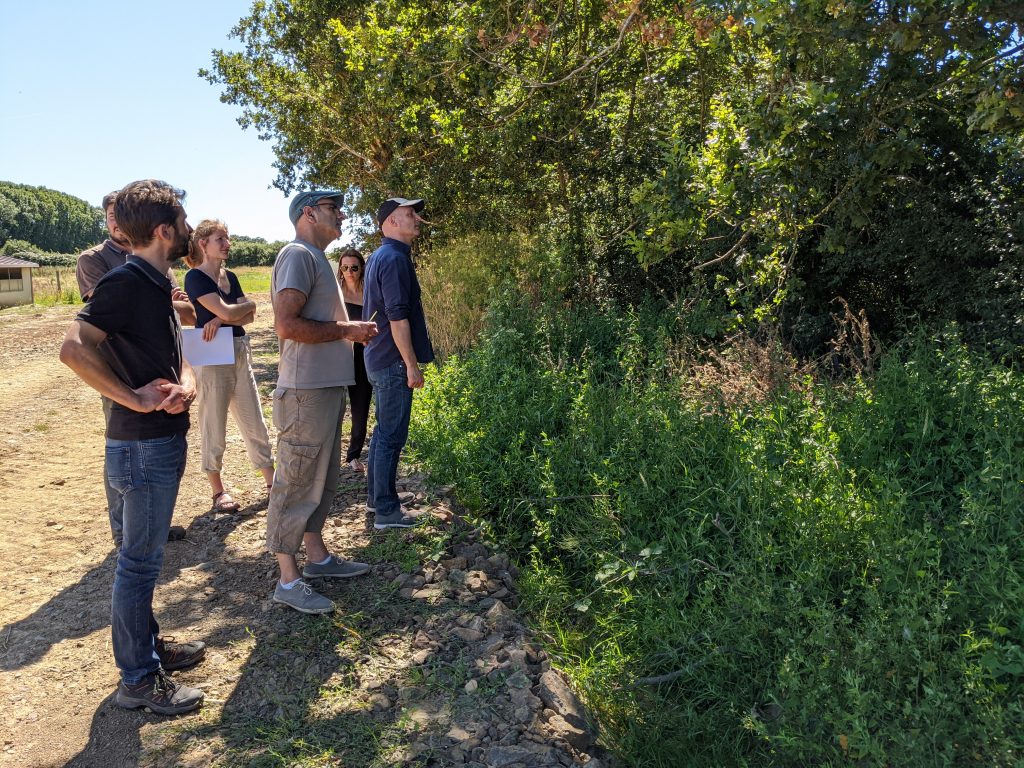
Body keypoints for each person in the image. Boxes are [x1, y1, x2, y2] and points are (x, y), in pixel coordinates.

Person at [60, 179, 206, 716]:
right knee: (138, 565)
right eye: (184, 223)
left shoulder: (156, 280)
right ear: (165, 231)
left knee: (141, 560)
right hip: (141, 447)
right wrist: (135, 399)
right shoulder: (124, 283)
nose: (191, 230)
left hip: (158, 444)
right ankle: (139, 681)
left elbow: (176, 348)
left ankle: (148, 649)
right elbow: (72, 350)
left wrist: (186, 382)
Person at [267, 190, 379, 614]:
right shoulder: (297, 254)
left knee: (320, 480)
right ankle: (287, 579)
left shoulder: (316, 258)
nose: (342, 214)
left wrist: (345, 330)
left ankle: (317, 560)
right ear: (309, 213)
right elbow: (286, 324)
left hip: (326, 388)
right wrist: (346, 330)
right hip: (305, 392)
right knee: (295, 481)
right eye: (333, 209)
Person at [77, 191, 194, 545]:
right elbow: (85, 338)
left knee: (148, 526)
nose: (115, 221)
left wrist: (187, 382)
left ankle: (146, 527)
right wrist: (133, 396)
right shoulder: (103, 265)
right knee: (123, 447)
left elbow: (179, 317)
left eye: (119, 214)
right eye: (110, 215)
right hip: (125, 382)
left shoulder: (160, 269)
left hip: (166, 412)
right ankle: (123, 530)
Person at [184, 219, 275, 511]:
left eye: (227, 238)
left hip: (237, 349)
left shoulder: (231, 276)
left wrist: (223, 317)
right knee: (214, 422)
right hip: (210, 352)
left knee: (254, 420)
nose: (227, 244)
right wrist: (230, 312)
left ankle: (272, 482)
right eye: (220, 239)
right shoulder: (195, 278)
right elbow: (237, 308)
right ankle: (218, 491)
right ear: (203, 244)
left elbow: (248, 316)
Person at [363, 197, 435, 530]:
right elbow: (396, 317)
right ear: (391, 221)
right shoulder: (392, 259)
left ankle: (377, 500)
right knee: (392, 436)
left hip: (378, 357)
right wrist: (411, 364)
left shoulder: (383, 255)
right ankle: (388, 512)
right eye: (410, 214)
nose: (417, 218)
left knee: (382, 434)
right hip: (391, 360)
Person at [336, 248, 372, 473]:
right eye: (345, 267)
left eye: (354, 267)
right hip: (339, 354)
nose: (349, 272)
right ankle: (328, 456)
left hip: (363, 355)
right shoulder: (334, 293)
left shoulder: (369, 293)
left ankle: (353, 455)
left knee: (361, 407)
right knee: (333, 407)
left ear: (361, 268)